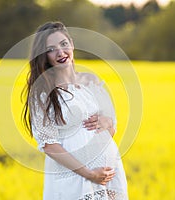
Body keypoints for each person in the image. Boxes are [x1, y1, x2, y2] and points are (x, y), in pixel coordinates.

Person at [23, 21, 128, 200]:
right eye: (51, 49)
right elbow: (49, 145)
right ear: (44, 55)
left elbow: (111, 128)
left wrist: (107, 122)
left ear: (71, 43)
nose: (60, 52)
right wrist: (88, 173)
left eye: (63, 44)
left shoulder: (92, 81)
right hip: (73, 178)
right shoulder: (43, 92)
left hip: (107, 174)